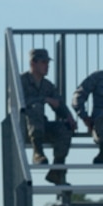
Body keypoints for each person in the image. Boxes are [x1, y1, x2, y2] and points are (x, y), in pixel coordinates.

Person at [19, 47, 76, 185]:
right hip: (24, 128)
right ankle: (37, 152)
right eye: (43, 62)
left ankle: (57, 170)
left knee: (64, 128)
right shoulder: (20, 81)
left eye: (47, 62)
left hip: (41, 127)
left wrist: (68, 116)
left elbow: (59, 103)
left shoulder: (47, 85)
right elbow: (18, 105)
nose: (47, 66)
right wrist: (44, 99)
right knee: (36, 107)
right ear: (33, 63)